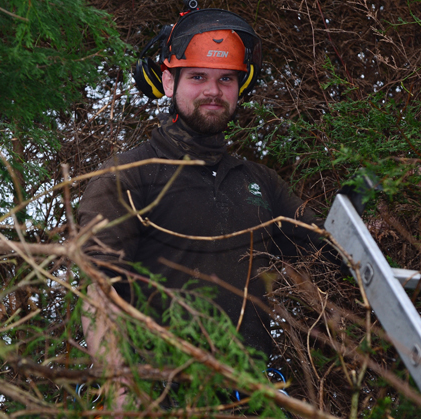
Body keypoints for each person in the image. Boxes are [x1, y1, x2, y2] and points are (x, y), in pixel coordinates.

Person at [77, 6, 332, 413]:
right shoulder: (129, 175)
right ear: (167, 80)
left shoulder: (261, 183)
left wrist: (362, 212)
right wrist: (121, 386)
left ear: (239, 87)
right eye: (198, 77)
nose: (213, 91)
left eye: (225, 79)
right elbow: (97, 288)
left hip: (252, 397)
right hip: (159, 394)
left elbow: (328, 252)